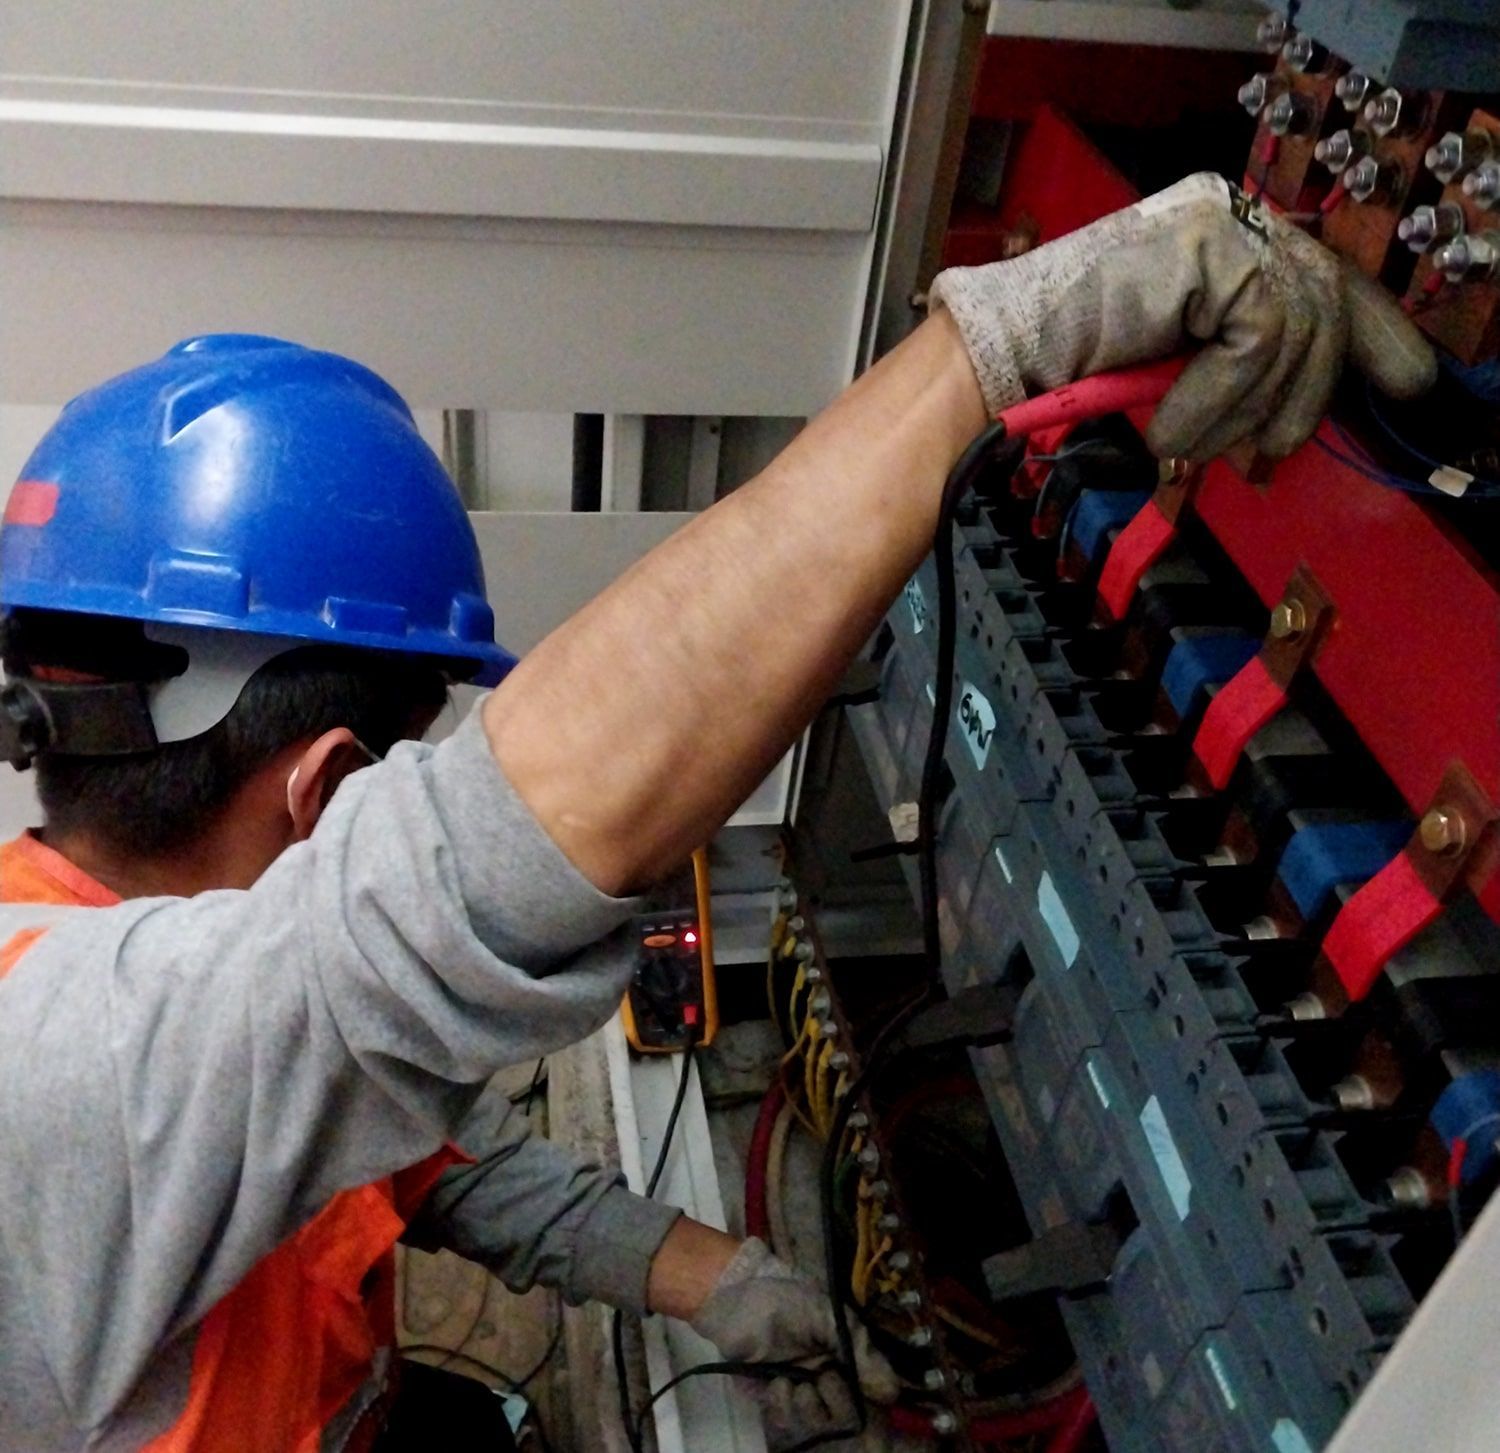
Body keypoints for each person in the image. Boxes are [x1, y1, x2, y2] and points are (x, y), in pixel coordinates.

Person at [0, 174, 1433, 1452]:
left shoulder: (155, 1009)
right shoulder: (67, 1076)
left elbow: (400, 1154)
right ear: (322, 786)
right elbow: (476, 867)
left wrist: (709, 1275)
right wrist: (1008, 344)